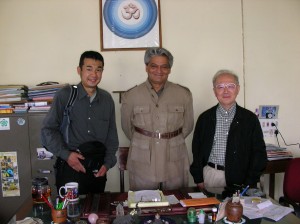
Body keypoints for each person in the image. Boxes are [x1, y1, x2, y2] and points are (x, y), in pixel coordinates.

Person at [41, 51, 119, 194]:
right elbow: (48, 130)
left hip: (97, 170)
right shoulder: (65, 95)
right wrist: (66, 155)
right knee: (70, 214)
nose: (94, 74)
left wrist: (107, 164)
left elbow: (112, 136)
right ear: (79, 70)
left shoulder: (107, 99)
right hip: (70, 168)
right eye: (89, 69)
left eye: (98, 70)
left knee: (95, 212)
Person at [121, 47, 194, 191]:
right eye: (154, 66)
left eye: (164, 67)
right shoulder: (131, 95)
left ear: (170, 69)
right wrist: (146, 140)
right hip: (143, 159)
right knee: (142, 204)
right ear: (146, 67)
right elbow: (127, 128)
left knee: (176, 203)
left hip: (174, 157)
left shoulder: (183, 94)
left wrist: (169, 138)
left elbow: (188, 126)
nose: (159, 71)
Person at [190, 70, 267, 191]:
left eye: (231, 86)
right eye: (220, 87)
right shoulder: (205, 118)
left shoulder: (249, 119)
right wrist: (198, 178)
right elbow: (197, 150)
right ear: (214, 91)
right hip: (212, 176)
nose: (225, 91)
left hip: (241, 177)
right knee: (213, 209)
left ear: (238, 89)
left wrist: (250, 181)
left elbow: (259, 153)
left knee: (239, 210)